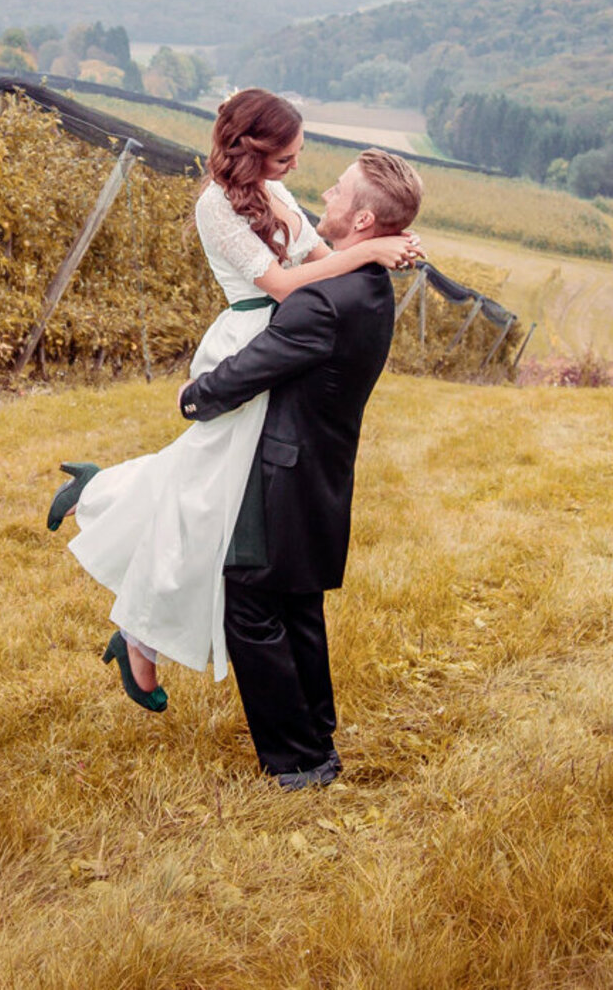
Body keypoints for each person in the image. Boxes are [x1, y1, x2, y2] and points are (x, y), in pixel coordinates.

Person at [52, 91, 419, 716]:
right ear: (254, 149)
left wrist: (373, 251)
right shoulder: (214, 206)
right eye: (288, 156)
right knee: (207, 498)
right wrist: (364, 252)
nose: (297, 169)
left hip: (284, 341)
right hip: (248, 341)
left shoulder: (276, 197)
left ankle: (133, 613)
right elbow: (277, 283)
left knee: (209, 495)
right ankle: (106, 517)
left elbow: (321, 261)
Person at [175, 148, 423, 788]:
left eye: (339, 191)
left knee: (251, 605)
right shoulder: (367, 288)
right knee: (298, 604)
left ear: (364, 220)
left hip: (280, 473)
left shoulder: (324, 301)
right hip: (322, 469)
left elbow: (254, 368)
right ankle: (318, 739)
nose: (327, 196)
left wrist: (194, 396)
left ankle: (297, 761)